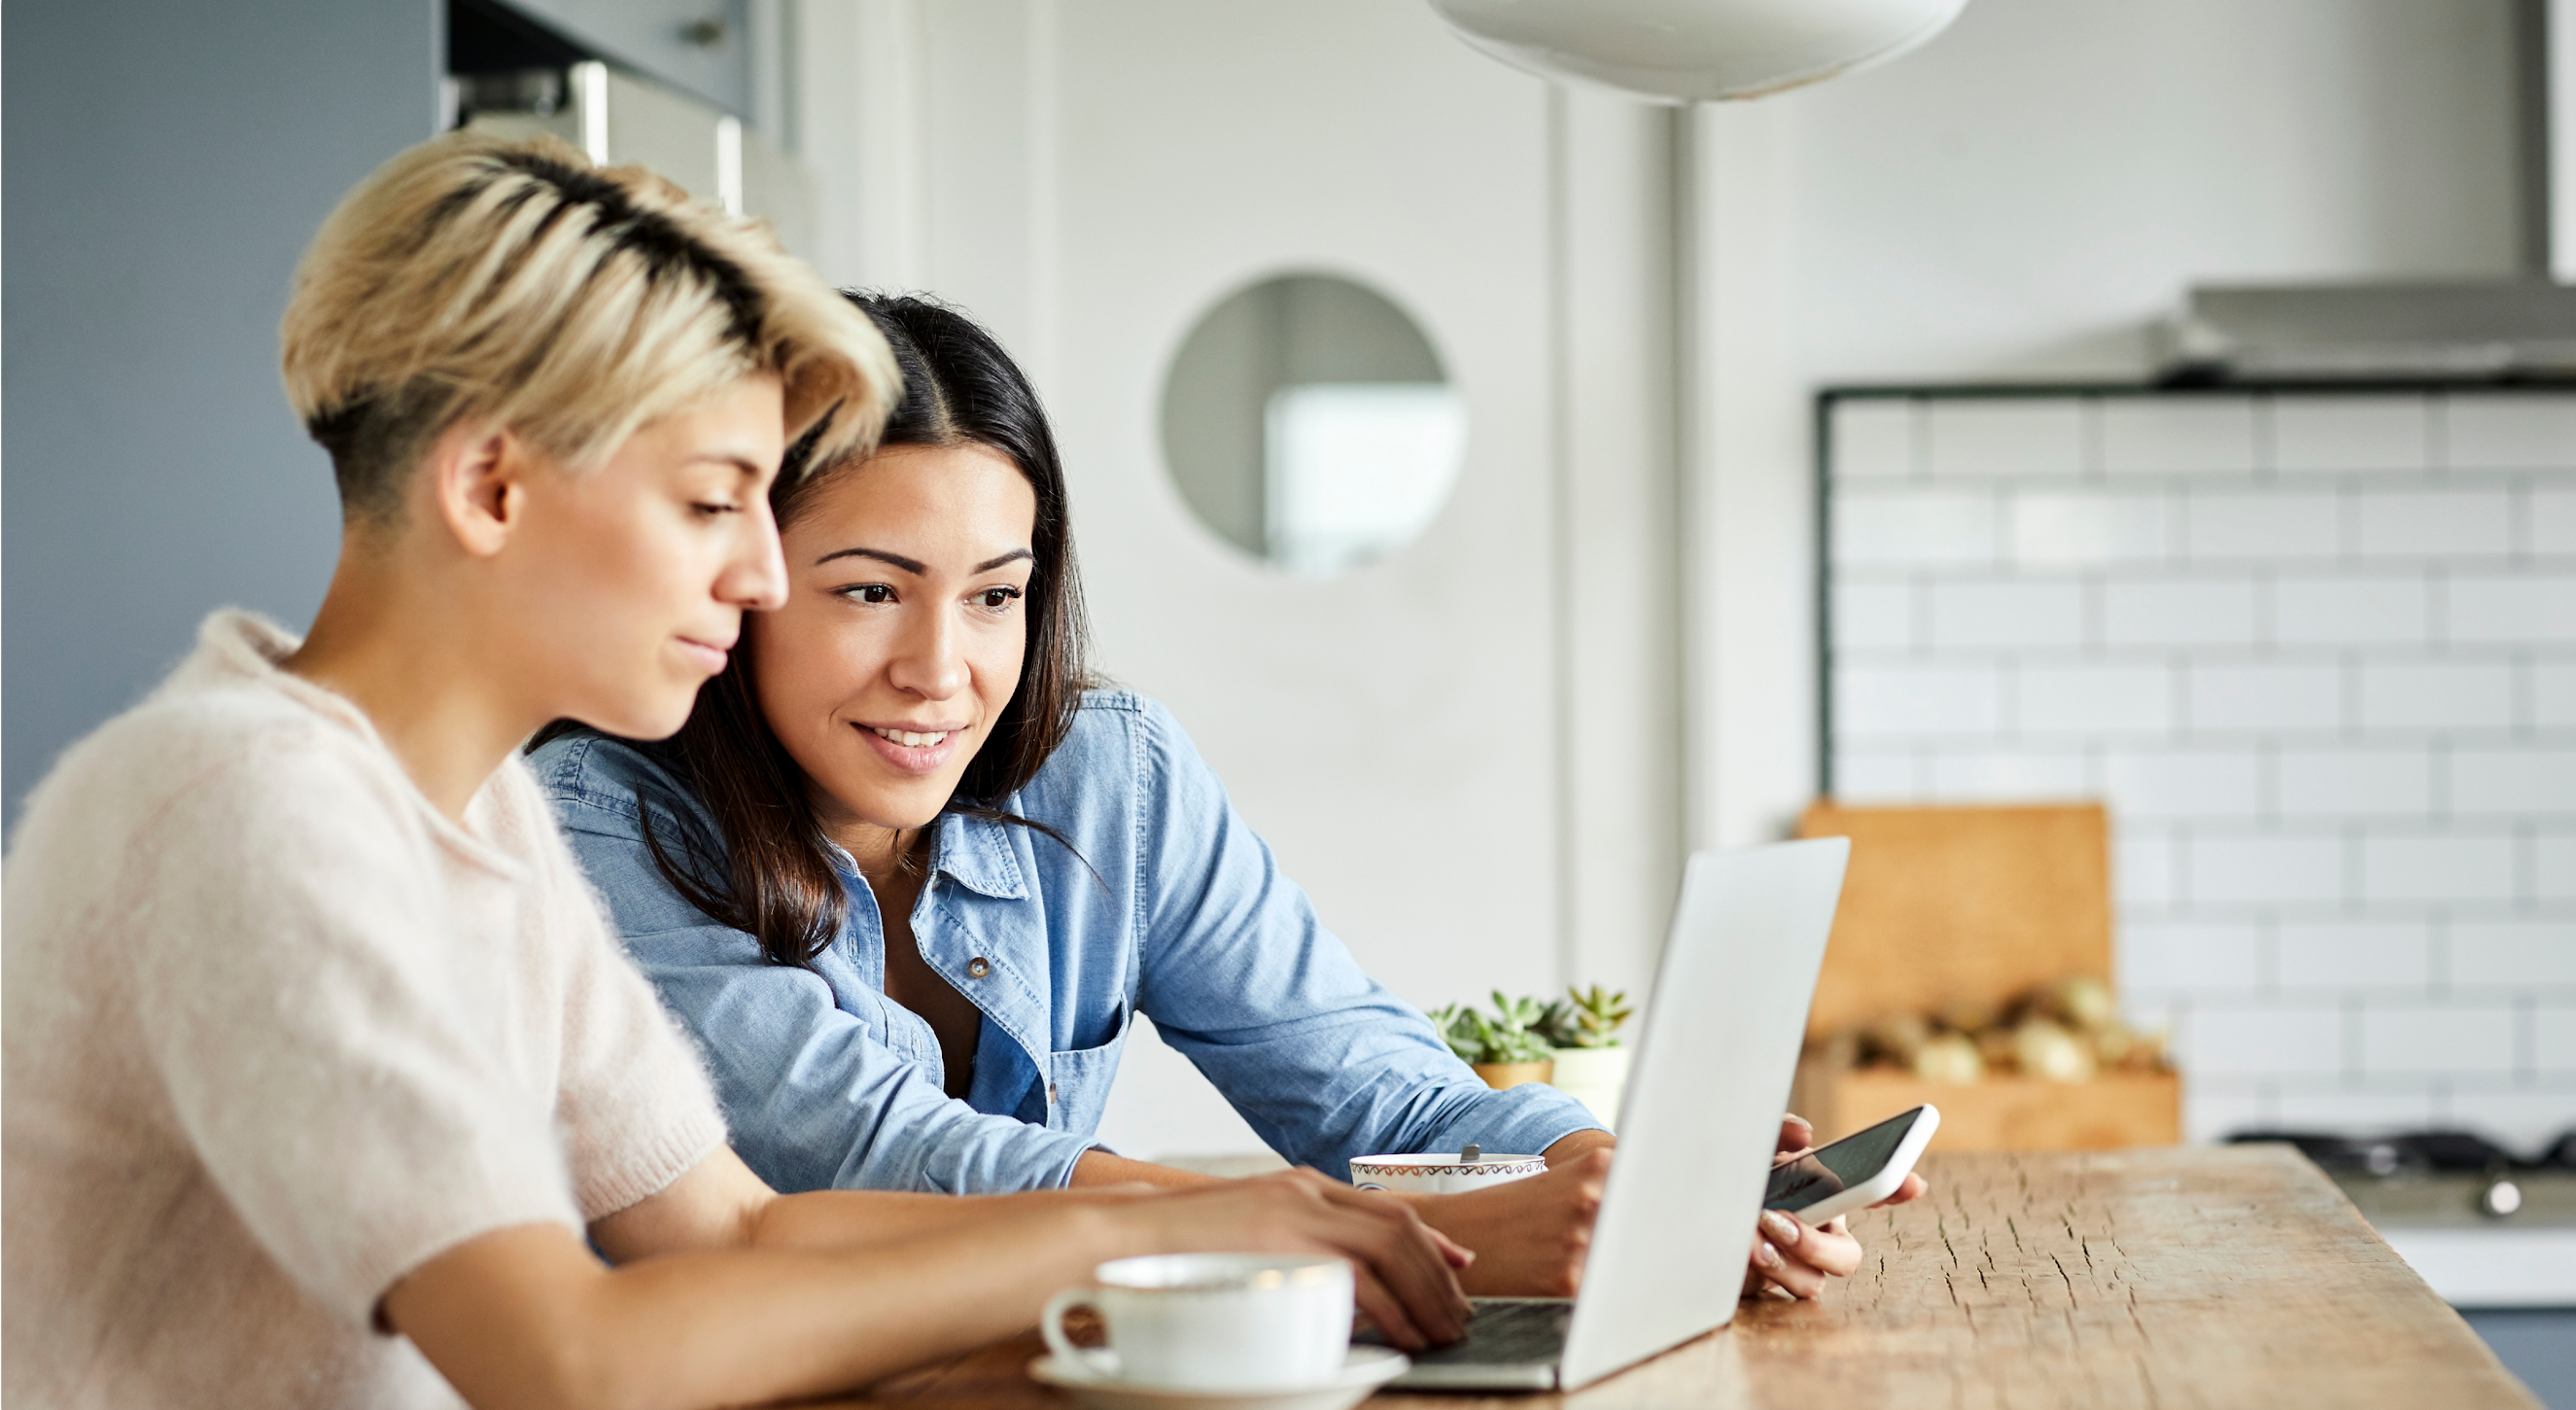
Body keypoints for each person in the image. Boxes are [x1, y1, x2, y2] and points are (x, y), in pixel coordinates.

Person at [0, 133, 1473, 1410]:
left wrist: (1228, 1233)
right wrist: (1142, 1232)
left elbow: (732, 1233)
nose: (763, 572)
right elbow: (571, 1363)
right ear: (491, 484)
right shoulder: (248, 810)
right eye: (713, 501)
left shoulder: (475, 813)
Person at [532, 293, 1923, 1304]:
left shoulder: (1106, 772)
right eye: (869, 591)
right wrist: (1360, 1235)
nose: (940, 670)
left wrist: (1620, 1182)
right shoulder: (599, 818)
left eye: (997, 596)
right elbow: (874, 1156)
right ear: (749, 581)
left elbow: (1357, 1071)